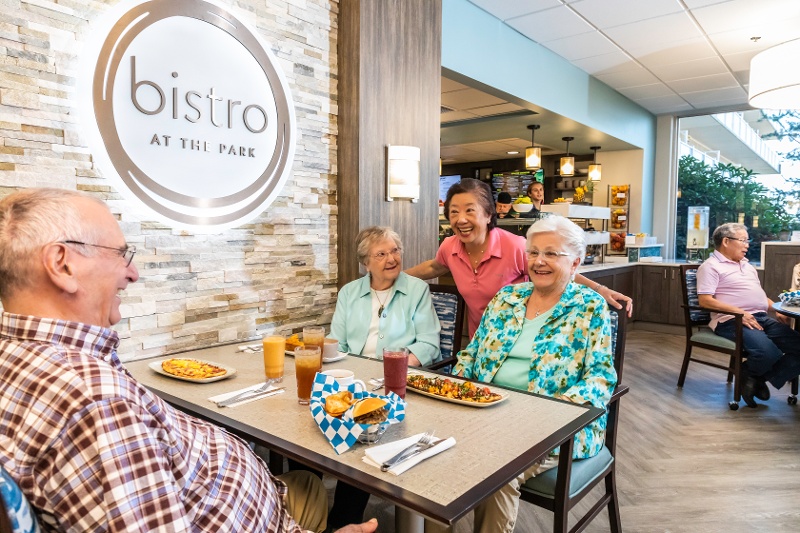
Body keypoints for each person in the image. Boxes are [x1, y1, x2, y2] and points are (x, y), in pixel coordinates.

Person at [0, 188, 377, 533]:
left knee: (308, 482)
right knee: (311, 487)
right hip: (268, 520)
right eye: (120, 254)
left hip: (234, 495)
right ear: (62, 264)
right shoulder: (95, 402)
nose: (132, 273)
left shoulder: (19, 356)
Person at [436, 216, 617, 533]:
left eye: (551, 253)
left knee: (496, 472)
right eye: (533, 253)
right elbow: (472, 353)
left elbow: (600, 377)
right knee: (432, 456)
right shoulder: (507, 297)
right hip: (483, 413)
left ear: (575, 262)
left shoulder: (589, 306)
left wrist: (553, 414)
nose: (539, 261)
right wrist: (455, 392)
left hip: (552, 429)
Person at [405, 178, 632, 338]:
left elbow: (558, 272)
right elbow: (434, 267)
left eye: (469, 211)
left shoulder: (515, 246)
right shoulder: (450, 246)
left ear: (488, 214)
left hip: (522, 338)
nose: (460, 219)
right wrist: (393, 277)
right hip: (481, 342)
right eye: (454, 212)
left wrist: (600, 289)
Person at [696, 223, 800, 408]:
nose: (747, 245)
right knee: (767, 353)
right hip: (731, 320)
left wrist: (775, 308)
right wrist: (740, 312)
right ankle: (752, 375)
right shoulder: (710, 266)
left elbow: (758, 295)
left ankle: (751, 375)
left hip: (760, 317)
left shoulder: (746, 265)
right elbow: (705, 300)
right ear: (726, 241)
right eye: (743, 240)